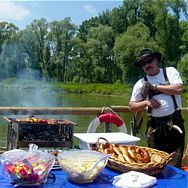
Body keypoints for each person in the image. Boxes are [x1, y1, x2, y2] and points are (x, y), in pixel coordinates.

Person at [129, 49, 185, 168]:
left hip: (175, 124)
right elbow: (132, 106)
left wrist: (154, 87)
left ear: (156, 60)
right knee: (155, 164)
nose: (147, 65)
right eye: (143, 64)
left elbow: (179, 89)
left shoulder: (170, 72)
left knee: (176, 164)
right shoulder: (140, 83)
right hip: (154, 127)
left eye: (149, 61)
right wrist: (147, 102)